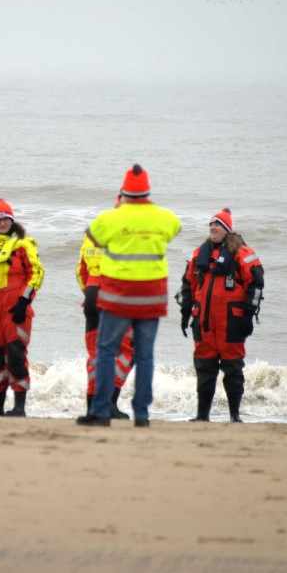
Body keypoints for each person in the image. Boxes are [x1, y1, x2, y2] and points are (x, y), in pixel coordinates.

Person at [77, 164, 181, 427]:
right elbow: (175, 228)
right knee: (145, 355)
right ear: (148, 192)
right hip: (152, 297)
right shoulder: (164, 217)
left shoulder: (109, 219)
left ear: (123, 193)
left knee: (105, 351)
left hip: (118, 296)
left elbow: (93, 236)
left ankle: (100, 411)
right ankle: (142, 415)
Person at [177, 208, 264, 423]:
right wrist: (185, 314)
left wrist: (248, 316)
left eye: (218, 225)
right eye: (211, 224)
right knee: (204, 370)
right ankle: (202, 416)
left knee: (233, 370)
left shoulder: (243, 254)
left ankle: (235, 415)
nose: (213, 228)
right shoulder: (199, 255)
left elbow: (257, 285)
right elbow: (188, 285)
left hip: (231, 323)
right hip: (204, 323)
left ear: (227, 229)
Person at [0, 198, 45, 417]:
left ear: (12, 220)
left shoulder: (23, 243)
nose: (2, 223)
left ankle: (19, 406)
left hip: (16, 309)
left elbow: (37, 273)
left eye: (5, 219)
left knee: (16, 356)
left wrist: (24, 301)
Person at [78, 226, 134, 419]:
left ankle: (92, 408)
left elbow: (81, 271)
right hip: (114, 292)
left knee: (96, 354)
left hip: (92, 292)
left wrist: (88, 294)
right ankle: (109, 402)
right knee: (129, 350)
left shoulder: (91, 233)